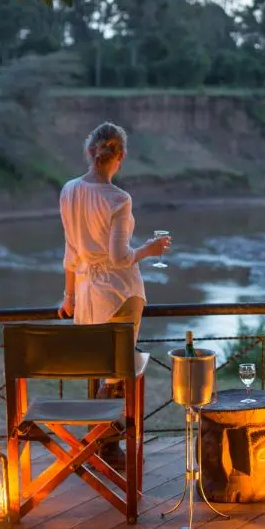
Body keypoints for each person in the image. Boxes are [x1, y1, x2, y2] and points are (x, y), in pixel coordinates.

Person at [57, 121, 170, 469]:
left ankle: (98, 442)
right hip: (120, 293)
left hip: (88, 293)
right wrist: (149, 250)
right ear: (119, 157)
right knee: (119, 369)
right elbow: (121, 258)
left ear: (90, 152)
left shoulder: (69, 191)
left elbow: (71, 253)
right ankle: (106, 445)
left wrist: (69, 297)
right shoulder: (119, 199)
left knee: (101, 365)